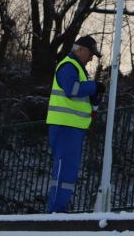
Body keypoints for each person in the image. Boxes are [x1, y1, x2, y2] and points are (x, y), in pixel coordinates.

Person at [45, 35, 103, 213]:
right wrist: (94, 87)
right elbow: (71, 89)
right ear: (81, 50)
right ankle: (55, 211)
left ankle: (59, 209)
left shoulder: (76, 68)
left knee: (68, 171)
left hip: (72, 128)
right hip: (65, 126)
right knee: (64, 170)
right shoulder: (68, 65)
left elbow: (77, 93)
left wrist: (93, 99)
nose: (92, 57)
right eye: (91, 53)